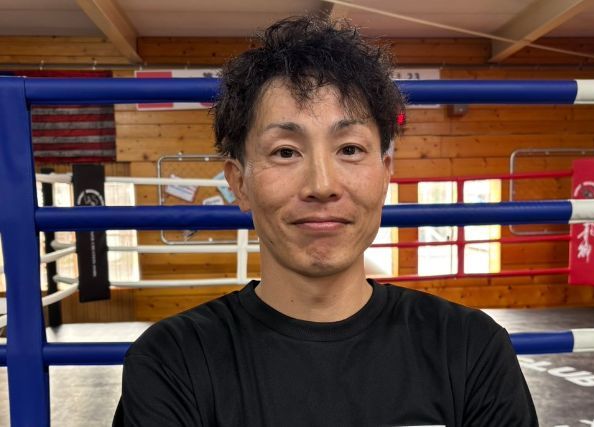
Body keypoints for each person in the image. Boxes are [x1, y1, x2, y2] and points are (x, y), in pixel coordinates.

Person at [114, 15, 538, 426]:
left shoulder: (470, 349)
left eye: (350, 149)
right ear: (239, 183)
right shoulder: (172, 363)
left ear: (385, 174)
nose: (322, 185)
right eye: (285, 151)